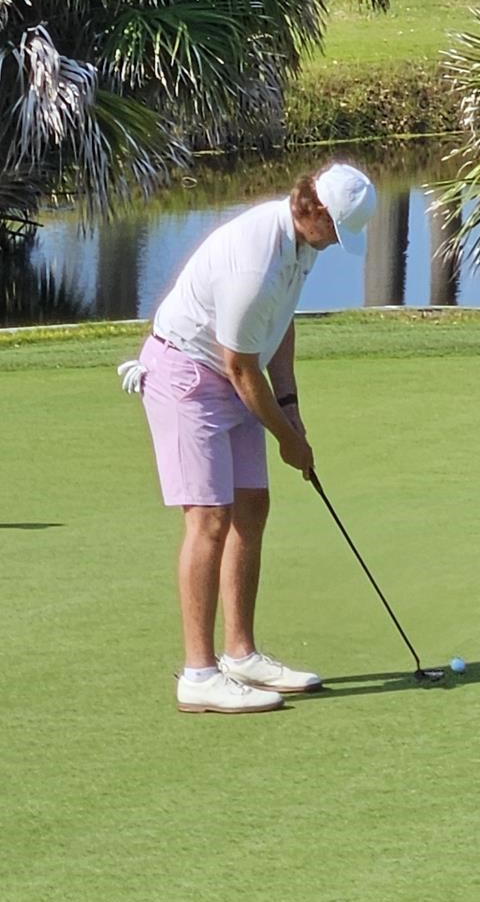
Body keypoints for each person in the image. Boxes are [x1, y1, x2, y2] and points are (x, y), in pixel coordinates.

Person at [121, 164, 376, 714]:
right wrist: (287, 440)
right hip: (188, 378)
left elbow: (280, 324)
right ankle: (198, 674)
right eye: (337, 230)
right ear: (315, 210)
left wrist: (290, 406)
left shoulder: (301, 243)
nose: (337, 243)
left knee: (252, 506)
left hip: (232, 376)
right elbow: (240, 366)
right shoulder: (254, 260)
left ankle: (240, 654)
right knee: (209, 519)